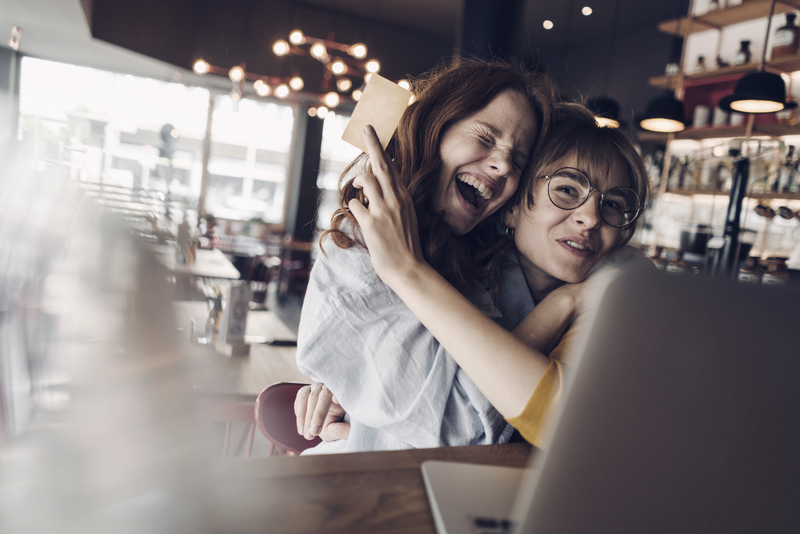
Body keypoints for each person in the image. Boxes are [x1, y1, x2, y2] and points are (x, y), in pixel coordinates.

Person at [297, 102, 651, 448]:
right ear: (511, 208)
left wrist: (358, 426)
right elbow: (440, 414)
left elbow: (467, 426)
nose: (590, 217)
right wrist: (358, 399)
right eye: (567, 189)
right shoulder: (462, 282)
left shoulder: (619, 301)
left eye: (612, 205)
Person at [294, 59, 559, 453]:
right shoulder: (356, 244)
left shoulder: (496, 258)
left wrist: (365, 427)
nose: (503, 165)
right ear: (433, 129)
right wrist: (565, 304)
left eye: (518, 160)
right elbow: (461, 427)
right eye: (486, 138)